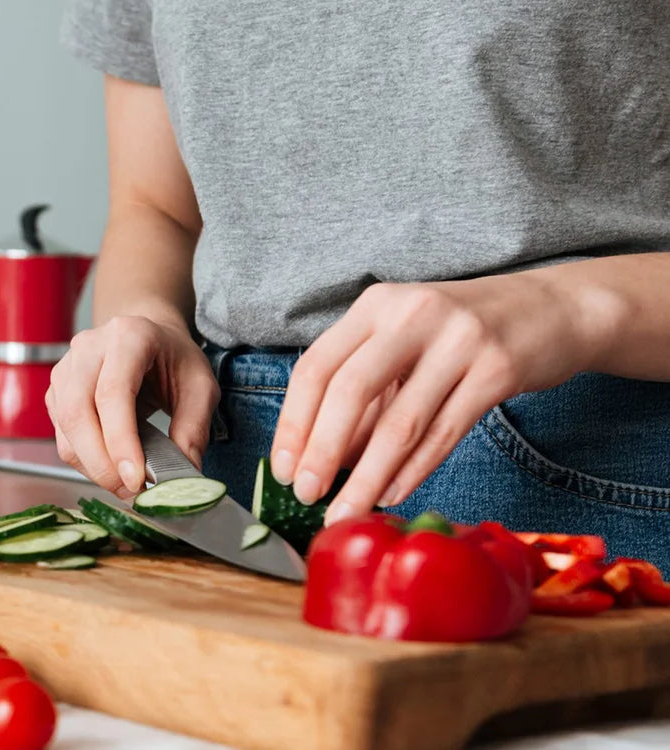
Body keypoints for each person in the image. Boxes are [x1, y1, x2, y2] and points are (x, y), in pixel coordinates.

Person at [48, 1, 670, 572]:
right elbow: (155, 208)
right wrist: (146, 320)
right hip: (228, 467)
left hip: (585, 465)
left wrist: (569, 305)